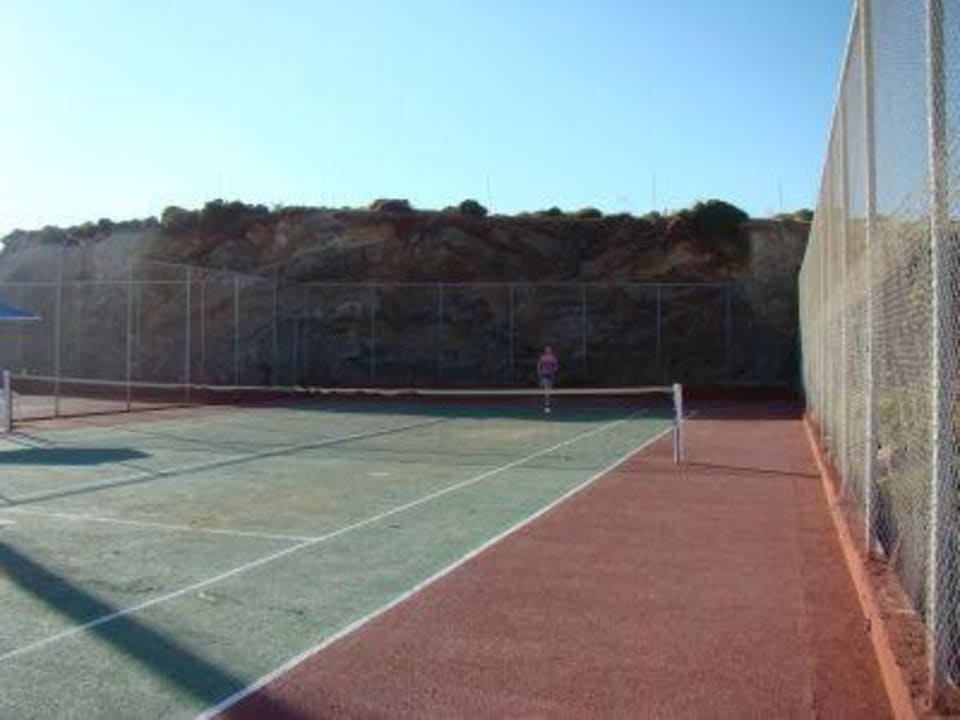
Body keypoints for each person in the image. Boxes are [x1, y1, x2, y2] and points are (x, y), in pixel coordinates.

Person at [537, 345, 558, 414]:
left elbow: (555, 366)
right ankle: (546, 406)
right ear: (545, 350)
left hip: (551, 375)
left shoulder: (553, 357)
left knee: (549, 391)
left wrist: (554, 371)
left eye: (549, 349)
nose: (548, 350)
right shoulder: (543, 357)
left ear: (551, 350)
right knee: (546, 391)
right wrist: (540, 371)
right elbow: (539, 365)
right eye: (547, 349)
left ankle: (547, 405)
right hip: (544, 375)